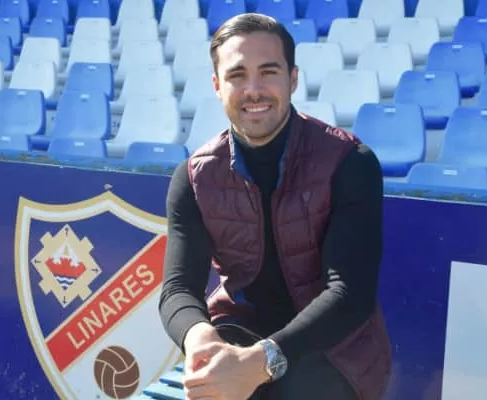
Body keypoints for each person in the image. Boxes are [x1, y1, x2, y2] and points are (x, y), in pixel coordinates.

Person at [159, 12, 392, 400]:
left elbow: (349, 294)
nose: (253, 90)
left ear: (293, 79)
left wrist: (260, 361)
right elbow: (178, 289)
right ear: (217, 85)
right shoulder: (195, 176)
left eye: (268, 72)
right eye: (237, 75)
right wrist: (199, 337)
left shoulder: (350, 162)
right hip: (239, 332)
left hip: (333, 350)